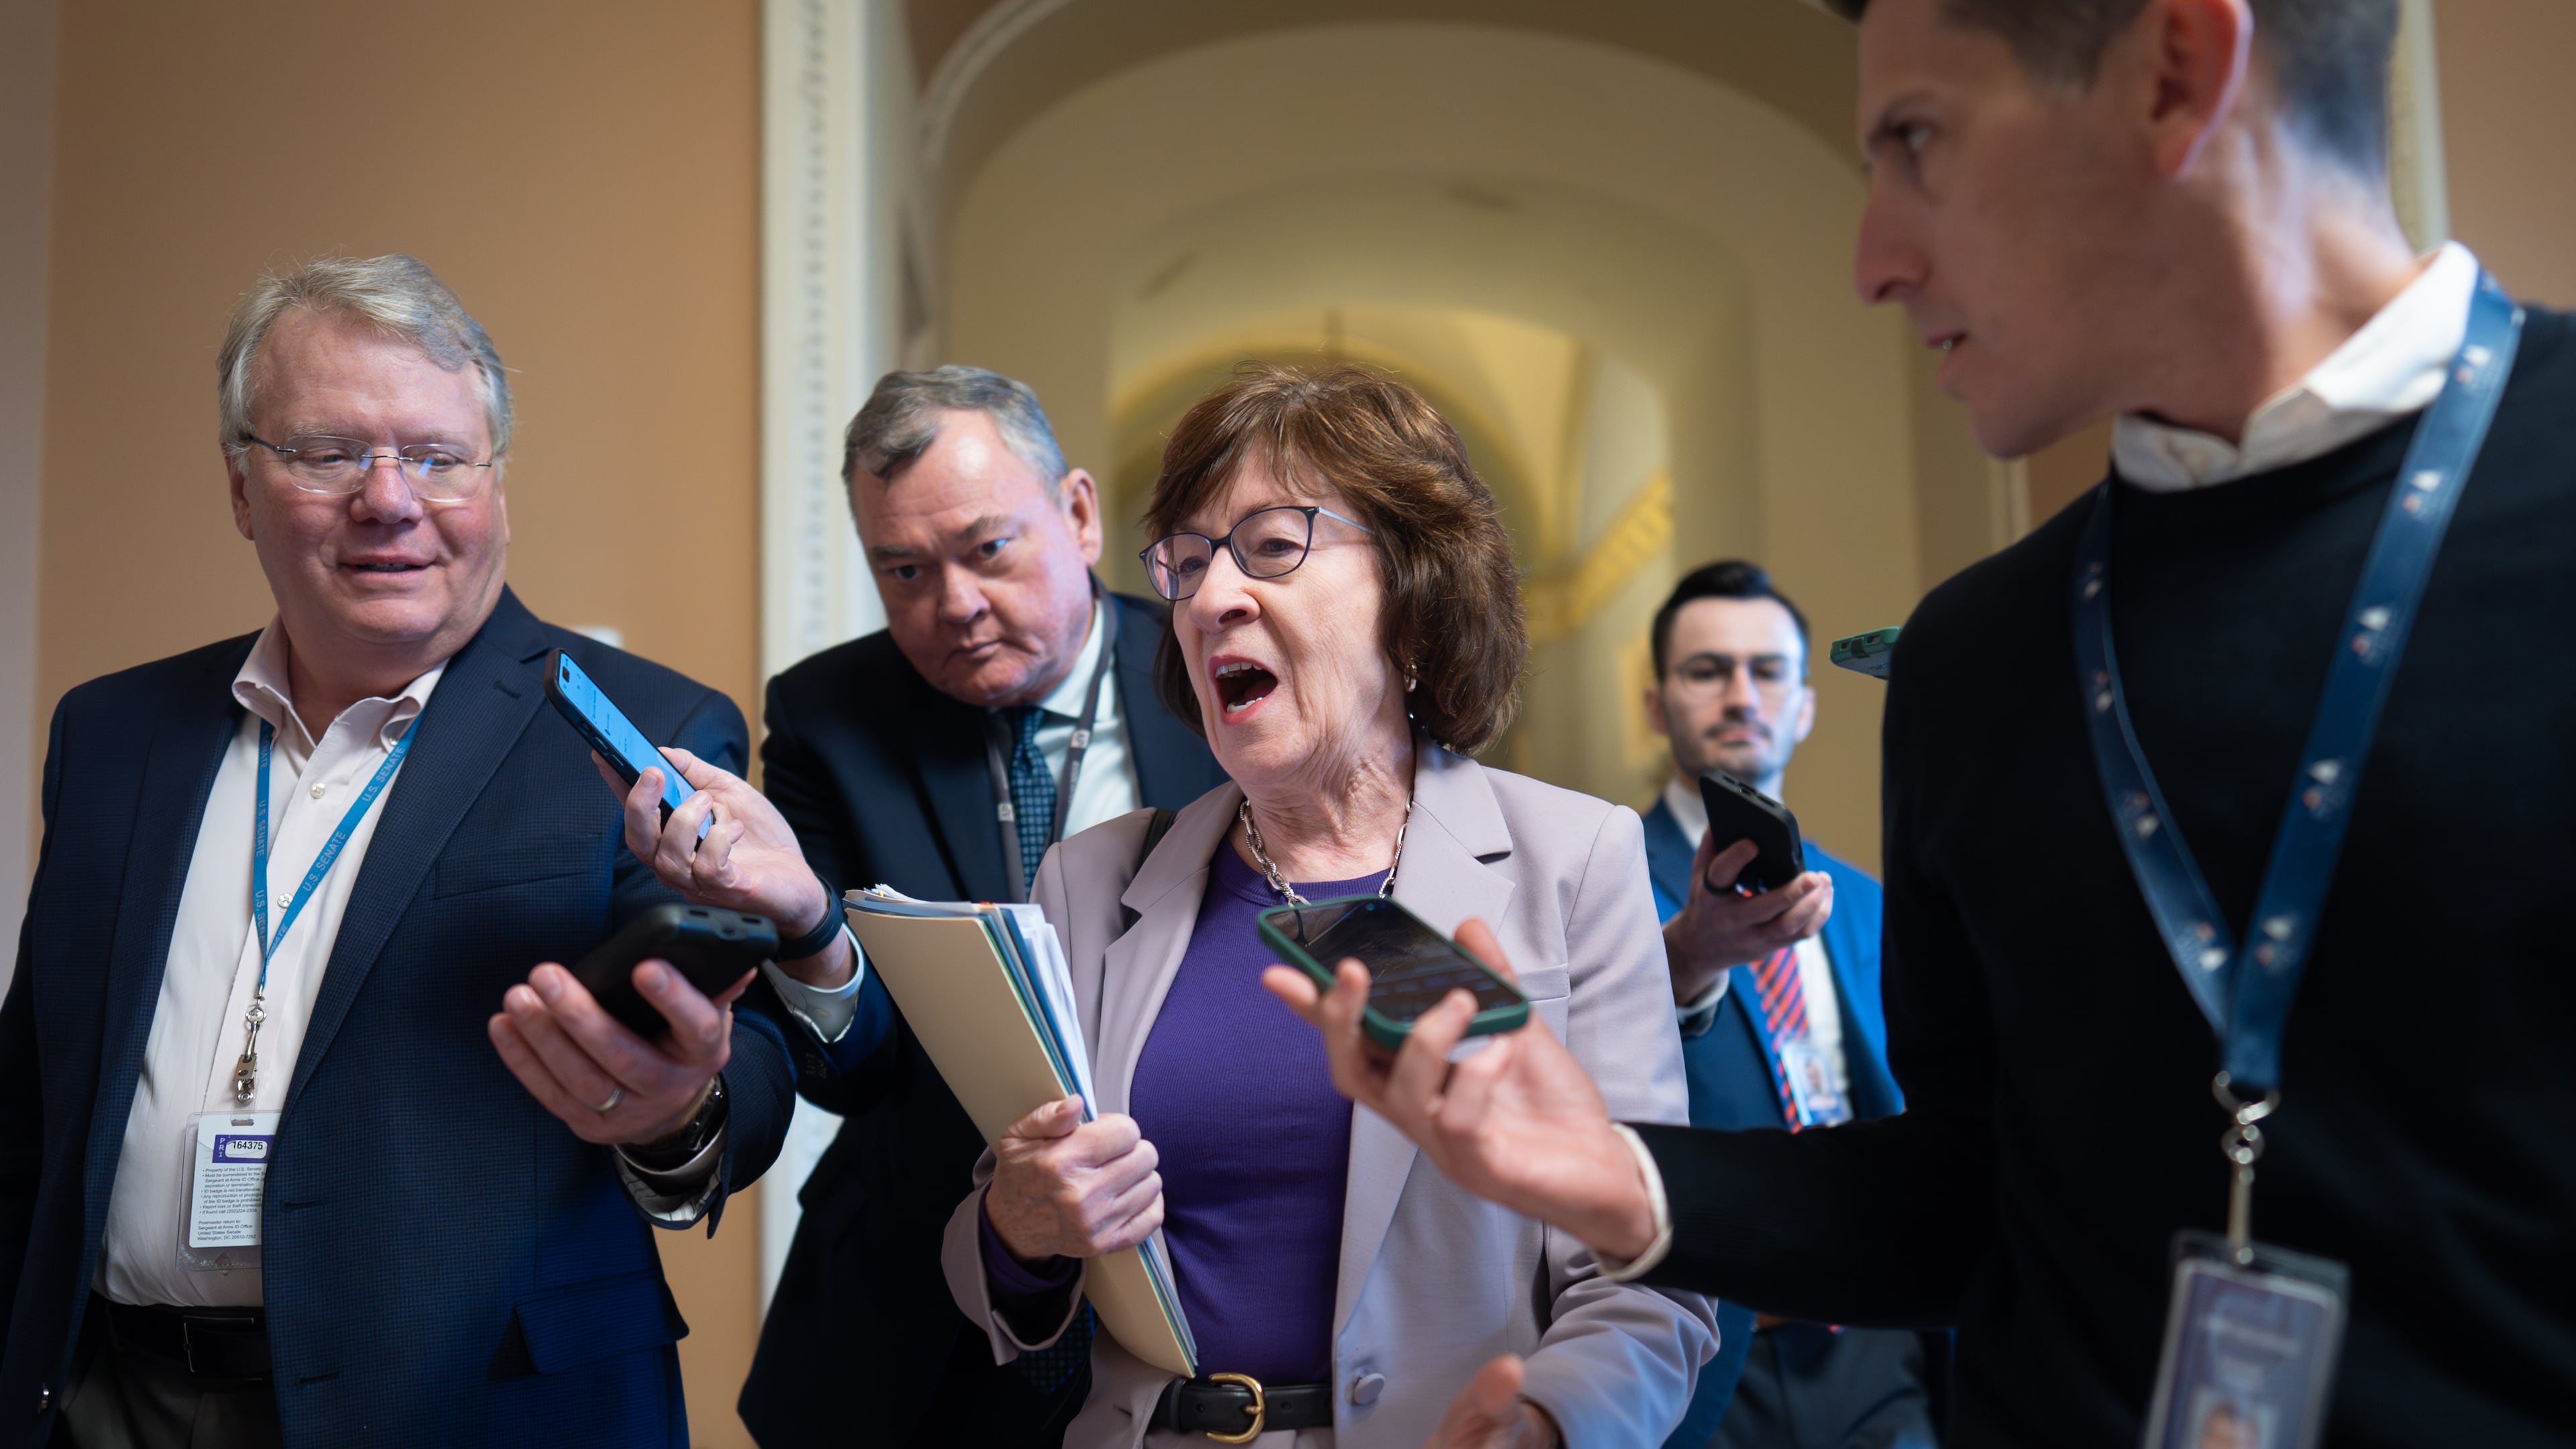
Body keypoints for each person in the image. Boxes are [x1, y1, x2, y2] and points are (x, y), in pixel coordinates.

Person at [1268, 1, 2576, 1444]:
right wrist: (1625, 1179)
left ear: (2175, 76)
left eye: (1915, 141)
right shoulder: (1979, 653)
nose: (1872, 258)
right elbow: (1974, 1195)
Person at [0, 255, 815, 1447]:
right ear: (240, 487)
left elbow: (749, 1069)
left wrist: (671, 1112)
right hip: (107, 1401)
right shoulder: (112, 734)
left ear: (496, 483)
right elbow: (37, 1091)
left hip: (471, 1413)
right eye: (328, 453)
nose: (389, 499)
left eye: (437, 457)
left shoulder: (649, 732)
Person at [937, 362, 1716, 1449]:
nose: (1213, 599)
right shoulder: (1090, 880)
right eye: (1191, 562)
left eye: (1272, 546)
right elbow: (998, 1267)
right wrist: (1019, 1229)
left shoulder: (1574, 860)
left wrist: (1543, 1424)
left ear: (1415, 589)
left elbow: (1649, 1280)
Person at [637, 366, 1228, 1448]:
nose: (951, 604)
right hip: (910, 1333)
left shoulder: (1213, 672)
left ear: (1081, 514)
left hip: (1194, 1292)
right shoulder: (827, 717)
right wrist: (814, 924)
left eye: (987, 549)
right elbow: (850, 1072)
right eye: (902, 570)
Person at [1638, 562, 1932, 1449]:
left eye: (1767, 672)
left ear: (1804, 706)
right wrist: (1689, 955)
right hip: (1710, 1353)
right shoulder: (1598, 878)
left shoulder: (1867, 900)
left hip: (1876, 1346)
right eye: (1707, 670)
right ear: (1657, 706)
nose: (1740, 694)